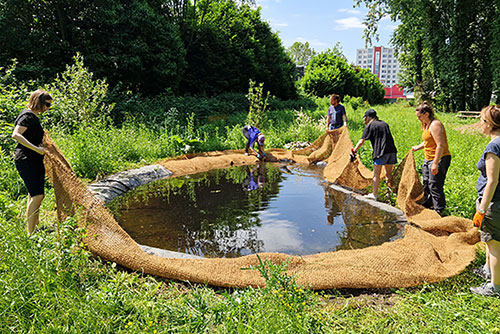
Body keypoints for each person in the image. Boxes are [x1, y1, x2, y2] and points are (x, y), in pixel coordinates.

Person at [11, 89, 52, 234]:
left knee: (34, 194)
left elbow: (30, 136)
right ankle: (31, 233)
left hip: (33, 160)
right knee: (37, 196)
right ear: (38, 102)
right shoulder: (27, 116)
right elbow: (15, 135)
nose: (48, 108)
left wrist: (39, 146)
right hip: (26, 160)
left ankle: (36, 226)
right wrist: (36, 148)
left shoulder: (33, 117)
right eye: (47, 104)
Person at [470, 105, 500, 297]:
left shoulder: (494, 146)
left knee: (495, 244)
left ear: (490, 124)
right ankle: (488, 271)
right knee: (489, 241)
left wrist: (481, 210)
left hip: (493, 203)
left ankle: (495, 287)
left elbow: (492, 180)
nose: (480, 124)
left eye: (482, 120)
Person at [411, 101, 451, 216]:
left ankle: (439, 209)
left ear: (427, 114)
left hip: (439, 158)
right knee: (426, 183)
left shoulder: (435, 125)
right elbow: (427, 142)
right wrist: (416, 148)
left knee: (435, 184)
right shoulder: (426, 124)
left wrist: (435, 163)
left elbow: (441, 145)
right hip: (427, 158)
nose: (418, 119)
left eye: (420, 116)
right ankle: (428, 204)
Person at [352, 109, 397, 200]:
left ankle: (374, 195)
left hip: (380, 153)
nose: (364, 119)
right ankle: (390, 195)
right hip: (391, 151)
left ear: (368, 117)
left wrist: (354, 150)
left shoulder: (370, 126)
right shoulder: (384, 123)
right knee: (389, 174)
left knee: (376, 174)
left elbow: (361, 141)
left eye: (365, 117)